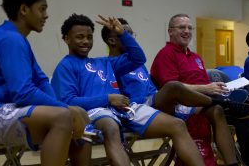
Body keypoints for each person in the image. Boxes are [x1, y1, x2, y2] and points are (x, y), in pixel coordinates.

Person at [51, 13, 205, 166]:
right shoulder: (65, 66)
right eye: (79, 37)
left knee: (177, 125)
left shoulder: (105, 63)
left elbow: (138, 58)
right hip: (96, 111)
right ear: (66, 39)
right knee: (111, 127)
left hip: (125, 109)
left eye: (89, 37)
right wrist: (108, 99)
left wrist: (122, 34)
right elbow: (67, 101)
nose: (85, 41)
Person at [0, 0, 91, 166]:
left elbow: (42, 80)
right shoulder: (9, 39)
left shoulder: (17, 38)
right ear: (24, 10)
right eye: (42, 9)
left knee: (81, 116)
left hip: (3, 110)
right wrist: (64, 109)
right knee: (63, 118)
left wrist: (68, 109)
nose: (46, 15)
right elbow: (22, 92)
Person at [102, 17, 249, 166]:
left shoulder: (138, 65)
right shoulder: (108, 65)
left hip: (160, 104)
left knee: (216, 111)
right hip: (138, 109)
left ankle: (233, 163)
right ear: (112, 40)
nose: (130, 38)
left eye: (131, 34)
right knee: (174, 86)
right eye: (125, 34)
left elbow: (140, 60)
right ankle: (226, 103)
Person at [151, 13, 249, 166]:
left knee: (229, 112)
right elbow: (172, 89)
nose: (187, 31)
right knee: (221, 108)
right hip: (178, 105)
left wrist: (218, 88)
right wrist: (206, 88)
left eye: (190, 28)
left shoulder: (196, 57)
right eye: (181, 27)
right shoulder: (165, 55)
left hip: (204, 103)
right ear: (170, 31)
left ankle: (235, 163)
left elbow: (205, 85)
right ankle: (228, 104)